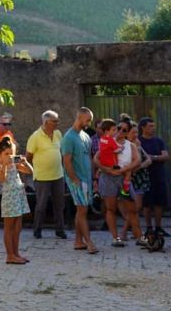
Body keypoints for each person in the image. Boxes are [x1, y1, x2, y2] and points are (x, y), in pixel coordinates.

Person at [93, 119, 143, 247]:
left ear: (128, 133)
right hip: (109, 177)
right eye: (118, 128)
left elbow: (137, 161)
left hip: (124, 178)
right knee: (110, 208)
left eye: (124, 130)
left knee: (132, 209)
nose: (120, 131)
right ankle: (116, 238)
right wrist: (107, 170)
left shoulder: (130, 145)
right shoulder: (108, 141)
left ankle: (139, 237)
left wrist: (125, 170)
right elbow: (96, 159)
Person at [61, 107, 98, 253]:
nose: (89, 122)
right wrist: (74, 179)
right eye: (88, 119)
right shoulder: (69, 137)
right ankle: (89, 242)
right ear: (80, 117)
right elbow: (67, 161)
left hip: (86, 179)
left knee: (82, 210)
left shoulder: (85, 136)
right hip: (77, 179)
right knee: (82, 210)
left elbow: (89, 157)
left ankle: (78, 241)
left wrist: (93, 178)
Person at [26, 110, 66, 240]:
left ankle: (60, 230)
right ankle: (37, 230)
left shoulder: (58, 134)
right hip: (42, 177)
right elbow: (28, 157)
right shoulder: (35, 137)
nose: (57, 123)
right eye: (54, 121)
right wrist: (35, 170)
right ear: (46, 122)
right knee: (41, 205)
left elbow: (61, 151)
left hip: (58, 175)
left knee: (59, 205)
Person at [0, 136, 32, 264]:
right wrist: (5, 164)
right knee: (9, 227)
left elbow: (30, 171)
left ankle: (16, 253)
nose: (10, 156)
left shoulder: (15, 165)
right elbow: (2, 180)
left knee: (18, 227)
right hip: (9, 199)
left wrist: (24, 161)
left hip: (18, 196)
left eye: (12, 154)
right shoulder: (0, 166)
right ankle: (9, 255)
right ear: (0, 154)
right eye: (6, 154)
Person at [120, 122, 152, 243]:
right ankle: (124, 233)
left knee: (136, 208)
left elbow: (147, 159)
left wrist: (140, 166)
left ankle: (135, 233)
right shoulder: (124, 146)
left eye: (136, 132)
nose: (135, 134)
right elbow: (132, 164)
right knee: (134, 207)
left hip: (140, 179)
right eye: (133, 132)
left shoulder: (137, 144)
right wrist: (138, 166)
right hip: (131, 179)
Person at [138, 117, 169, 235]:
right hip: (144, 176)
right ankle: (149, 227)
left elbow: (166, 156)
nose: (153, 128)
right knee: (147, 203)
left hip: (158, 174)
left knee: (159, 202)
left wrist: (153, 157)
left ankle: (158, 227)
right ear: (143, 127)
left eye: (153, 126)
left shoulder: (158, 141)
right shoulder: (139, 141)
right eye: (150, 126)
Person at [98, 119, 129, 196]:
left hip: (104, 162)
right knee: (127, 173)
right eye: (114, 130)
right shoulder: (111, 140)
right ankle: (125, 190)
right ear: (106, 131)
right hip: (111, 164)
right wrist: (121, 148)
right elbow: (116, 150)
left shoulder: (102, 139)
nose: (116, 132)